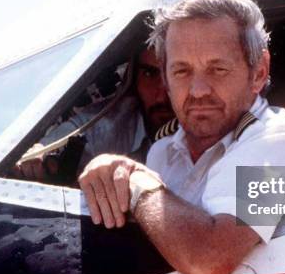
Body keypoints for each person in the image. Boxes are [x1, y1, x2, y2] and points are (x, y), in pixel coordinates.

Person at [78, 0, 285, 274]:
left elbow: (209, 260)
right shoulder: (163, 151)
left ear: (258, 73)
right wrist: (111, 169)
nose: (198, 90)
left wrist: (138, 184)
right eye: (182, 71)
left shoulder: (278, 137)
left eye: (217, 69)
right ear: (165, 80)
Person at [12, 47, 175, 182]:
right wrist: (39, 157)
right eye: (149, 75)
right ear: (133, 79)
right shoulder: (110, 124)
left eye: (175, 74)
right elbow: (50, 146)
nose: (162, 96)